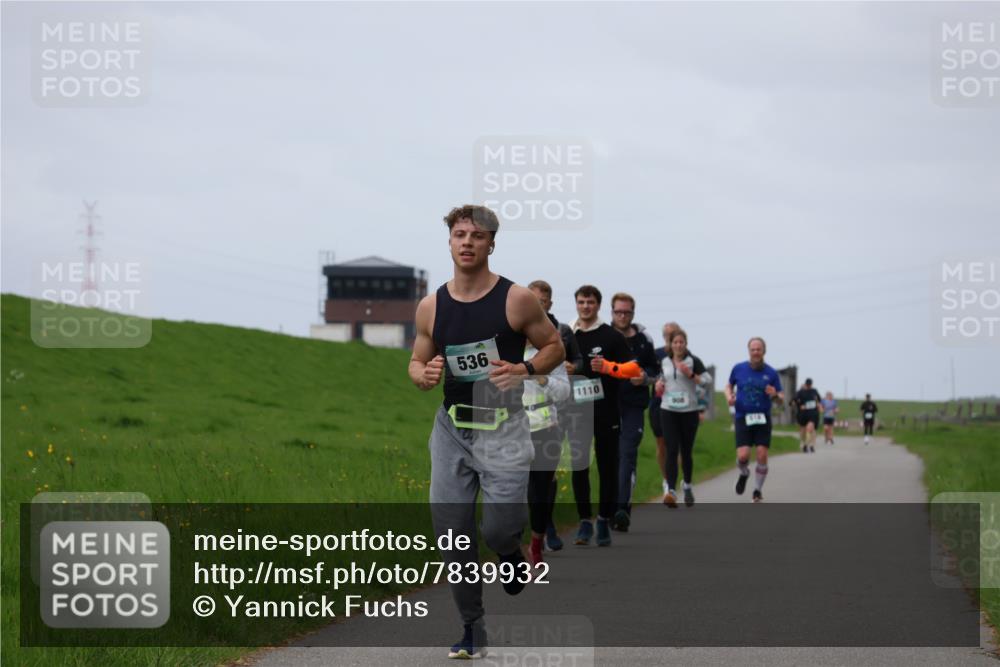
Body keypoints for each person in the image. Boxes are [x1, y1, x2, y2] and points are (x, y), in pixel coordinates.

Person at [408, 205, 565, 659]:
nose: (467, 242)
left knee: (497, 531)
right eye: (460, 234)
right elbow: (417, 362)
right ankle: (472, 628)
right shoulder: (431, 305)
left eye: (477, 236)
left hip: (504, 428)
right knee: (453, 536)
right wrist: (423, 374)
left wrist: (525, 368)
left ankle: (511, 555)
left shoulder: (516, 299)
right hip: (452, 429)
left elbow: (553, 346)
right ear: (450, 241)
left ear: (491, 243)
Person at [569, 285, 640, 547]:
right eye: (581, 302)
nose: (585, 306)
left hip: (606, 410)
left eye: (590, 302)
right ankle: (584, 521)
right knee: (579, 466)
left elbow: (633, 369)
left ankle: (603, 520)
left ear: (598, 306)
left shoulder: (610, 336)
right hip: (576, 409)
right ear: (576, 304)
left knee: (607, 466)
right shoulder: (567, 333)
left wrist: (610, 367)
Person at [526, 280, 585, 553]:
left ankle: (537, 541)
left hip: (545, 425)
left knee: (540, 489)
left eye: (542, 302)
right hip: (512, 428)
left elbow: (563, 391)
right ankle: (512, 541)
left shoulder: (553, 346)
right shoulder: (505, 346)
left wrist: (542, 381)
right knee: (513, 488)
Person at [609, 293, 659, 531]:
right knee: (611, 457)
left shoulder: (643, 339)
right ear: (612, 312)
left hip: (634, 405)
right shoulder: (603, 336)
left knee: (627, 453)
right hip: (607, 404)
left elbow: (655, 371)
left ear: (633, 313)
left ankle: (621, 509)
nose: (622, 316)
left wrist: (645, 378)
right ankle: (608, 511)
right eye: (618, 312)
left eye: (626, 312)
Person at [654, 328, 712, 508]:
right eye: (675, 342)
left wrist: (691, 375)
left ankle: (687, 485)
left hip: (689, 411)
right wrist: (658, 384)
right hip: (668, 410)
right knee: (671, 449)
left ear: (686, 344)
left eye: (682, 342)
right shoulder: (663, 361)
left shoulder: (693, 361)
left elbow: (707, 381)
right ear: (670, 345)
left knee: (686, 451)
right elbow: (659, 378)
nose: (678, 345)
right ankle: (671, 490)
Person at [724, 337, 785, 503]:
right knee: (743, 455)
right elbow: (728, 386)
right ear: (749, 351)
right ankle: (744, 473)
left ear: (764, 351)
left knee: (762, 453)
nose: (756, 352)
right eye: (753, 349)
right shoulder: (738, 369)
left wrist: (775, 394)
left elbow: (781, 398)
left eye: (759, 349)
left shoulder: (771, 373)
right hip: (743, 416)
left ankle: (757, 490)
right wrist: (729, 397)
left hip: (762, 417)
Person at [649, 322, 680, 500]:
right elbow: (649, 373)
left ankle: (676, 480)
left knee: (676, 445)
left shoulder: (685, 355)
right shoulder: (656, 354)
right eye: (667, 334)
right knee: (661, 443)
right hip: (658, 404)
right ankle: (667, 480)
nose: (670, 337)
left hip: (680, 406)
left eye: (673, 334)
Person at [794, 378, 822, 453]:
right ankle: (803, 443)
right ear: (805, 384)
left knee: (809, 429)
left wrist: (818, 404)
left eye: (810, 384)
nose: (809, 386)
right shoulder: (800, 392)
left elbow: (819, 399)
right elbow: (794, 400)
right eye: (807, 384)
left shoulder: (814, 391)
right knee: (803, 430)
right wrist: (800, 405)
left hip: (813, 413)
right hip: (803, 414)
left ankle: (809, 445)